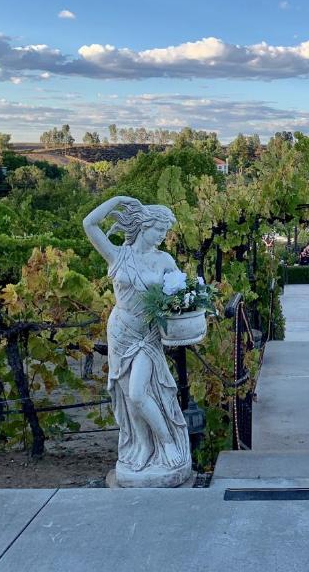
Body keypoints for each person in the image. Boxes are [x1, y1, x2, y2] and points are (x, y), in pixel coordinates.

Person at [82, 195, 191, 487]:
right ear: (145, 225)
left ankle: (167, 442)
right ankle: (143, 446)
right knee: (129, 395)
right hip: (120, 331)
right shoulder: (118, 255)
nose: (162, 237)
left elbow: (182, 297)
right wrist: (117, 200)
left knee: (139, 392)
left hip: (147, 334)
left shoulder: (164, 260)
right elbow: (89, 224)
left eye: (165, 232)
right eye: (160, 230)